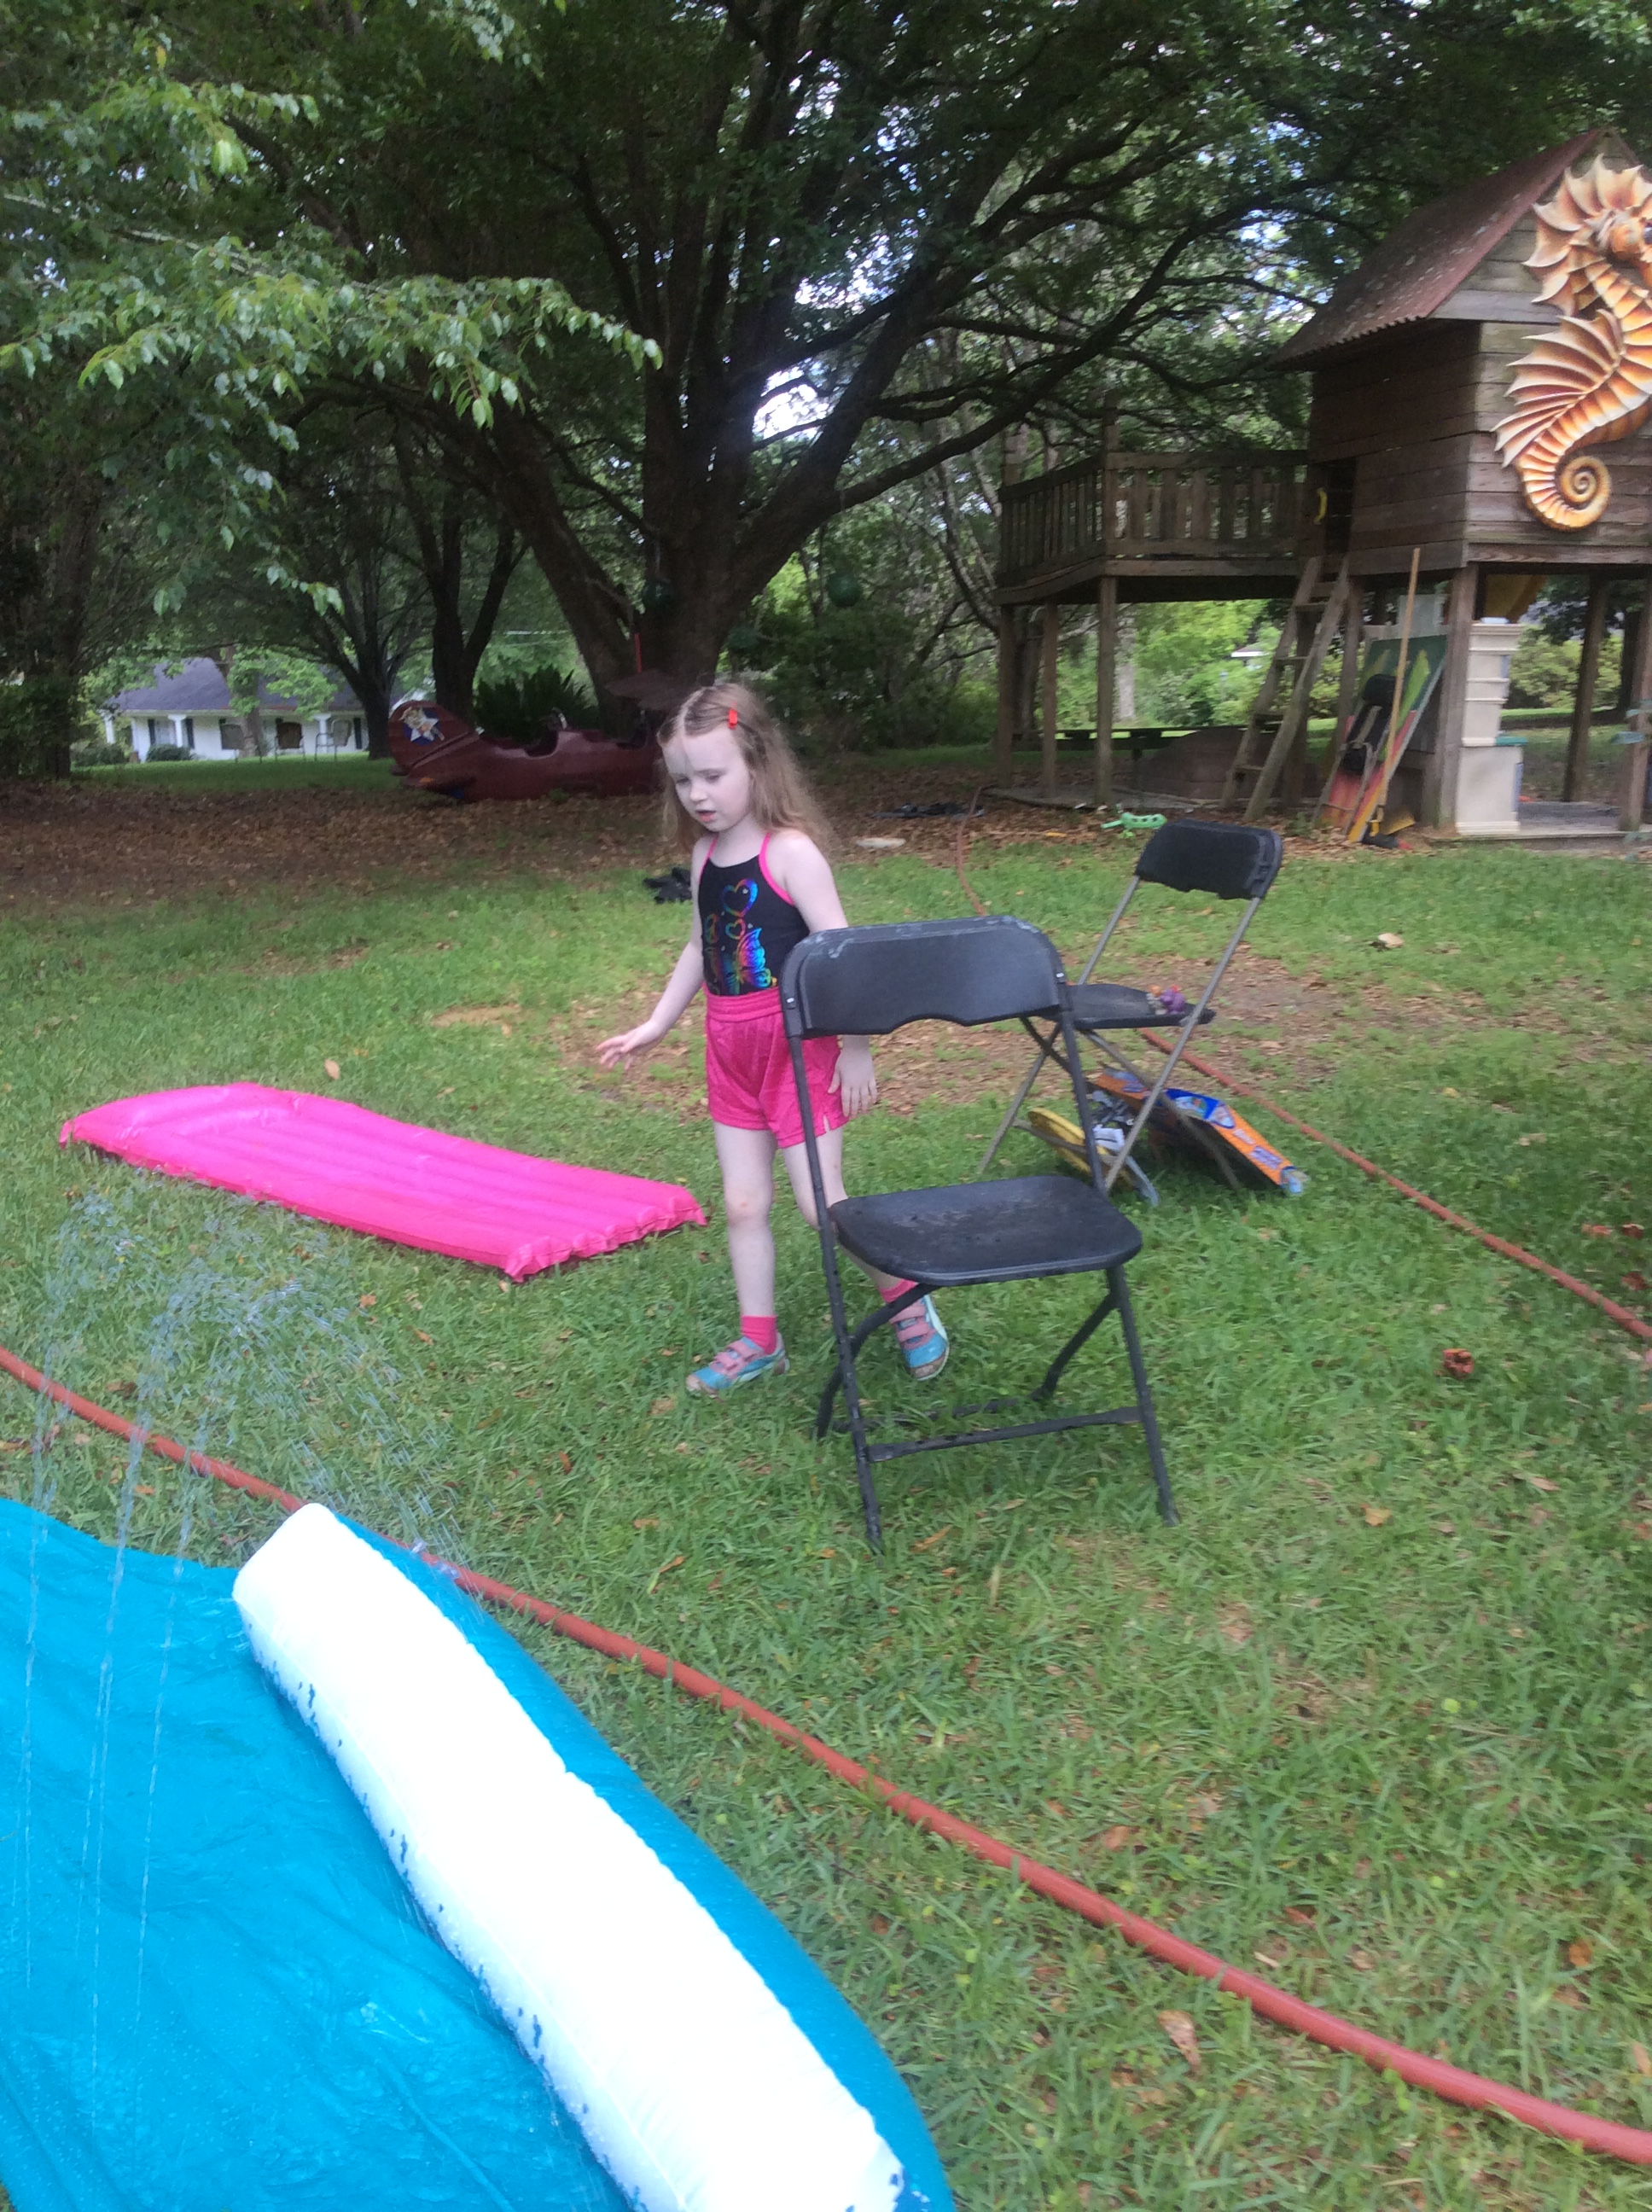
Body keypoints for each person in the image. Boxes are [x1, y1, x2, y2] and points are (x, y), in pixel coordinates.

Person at [598, 680, 948, 1397]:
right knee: (742, 1203)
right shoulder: (704, 857)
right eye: (683, 780)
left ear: (756, 762)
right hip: (730, 1050)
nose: (698, 794)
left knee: (821, 1204)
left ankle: (904, 1295)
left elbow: (843, 958)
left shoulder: (792, 854)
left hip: (798, 1048)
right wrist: (657, 1022)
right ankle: (761, 1340)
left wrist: (857, 1046)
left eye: (712, 774)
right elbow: (699, 946)